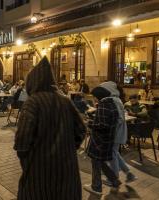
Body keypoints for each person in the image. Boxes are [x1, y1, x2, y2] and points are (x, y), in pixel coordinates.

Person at [14, 57, 86, 199]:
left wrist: (29, 159)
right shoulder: (65, 101)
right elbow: (81, 130)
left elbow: (22, 141)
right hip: (67, 174)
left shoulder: (32, 102)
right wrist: (66, 149)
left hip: (39, 175)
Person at [84, 85, 121, 195]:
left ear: (99, 96)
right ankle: (114, 180)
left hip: (100, 141)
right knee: (101, 163)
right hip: (108, 139)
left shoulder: (104, 105)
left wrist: (89, 123)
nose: (94, 98)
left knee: (96, 162)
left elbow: (102, 125)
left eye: (95, 96)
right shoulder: (111, 104)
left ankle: (96, 187)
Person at [99, 81, 137, 186]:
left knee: (112, 154)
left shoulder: (112, 100)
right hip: (119, 130)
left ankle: (114, 178)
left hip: (115, 131)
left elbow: (117, 118)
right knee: (115, 153)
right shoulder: (117, 99)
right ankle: (129, 174)